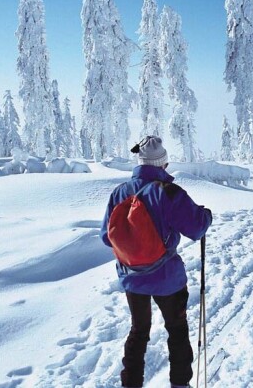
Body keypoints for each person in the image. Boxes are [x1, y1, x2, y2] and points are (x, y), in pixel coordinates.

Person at [101, 135, 212, 388]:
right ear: (162, 164)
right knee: (176, 328)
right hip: (167, 278)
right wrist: (206, 215)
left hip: (132, 278)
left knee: (138, 331)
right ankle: (180, 384)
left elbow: (107, 238)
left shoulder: (118, 193)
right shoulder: (168, 192)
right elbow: (196, 228)